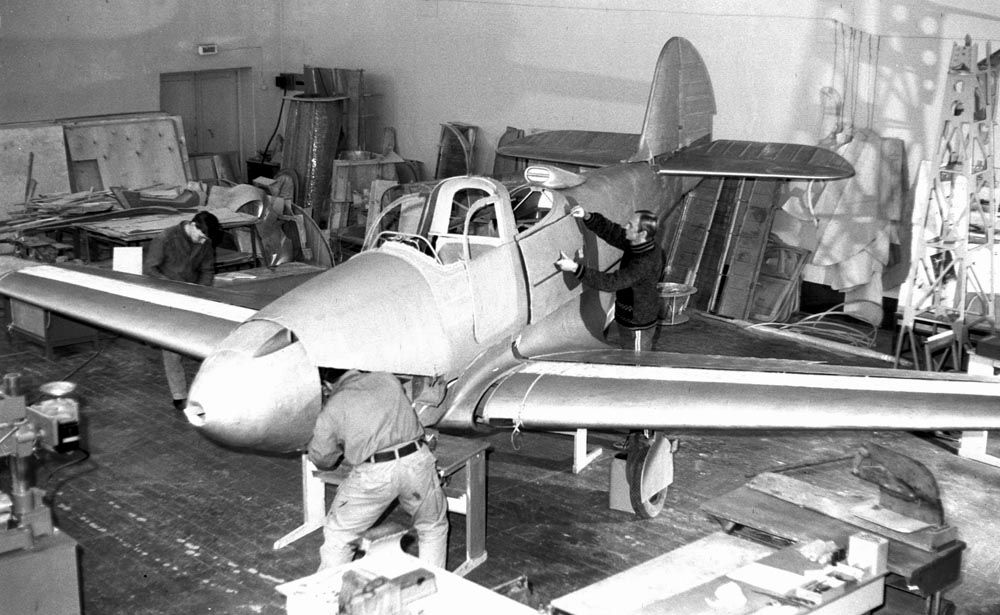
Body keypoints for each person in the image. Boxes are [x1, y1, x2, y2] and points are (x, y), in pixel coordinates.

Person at [308, 370, 448, 571]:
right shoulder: (387, 379)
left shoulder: (333, 407)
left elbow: (322, 458)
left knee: (339, 537)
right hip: (417, 461)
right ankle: (433, 584)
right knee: (432, 527)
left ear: (327, 385)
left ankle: (329, 588)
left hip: (375, 474)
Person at [555, 205, 664, 352]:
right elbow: (613, 233)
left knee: (637, 360)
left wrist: (575, 268)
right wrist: (587, 216)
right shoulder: (640, 243)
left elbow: (611, 282)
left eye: (630, 225)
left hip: (637, 324)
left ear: (642, 233)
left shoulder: (645, 261)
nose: (626, 227)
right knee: (628, 354)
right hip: (627, 316)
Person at [143, 210, 223, 411]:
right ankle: (179, 395)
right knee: (172, 348)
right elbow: (150, 269)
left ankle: (210, 390)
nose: (203, 242)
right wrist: (172, 288)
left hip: (193, 298)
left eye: (206, 239)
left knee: (204, 342)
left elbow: (207, 270)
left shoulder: (204, 242)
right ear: (193, 225)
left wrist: (201, 293)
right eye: (201, 237)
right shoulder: (165, 239)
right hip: (166, 297)